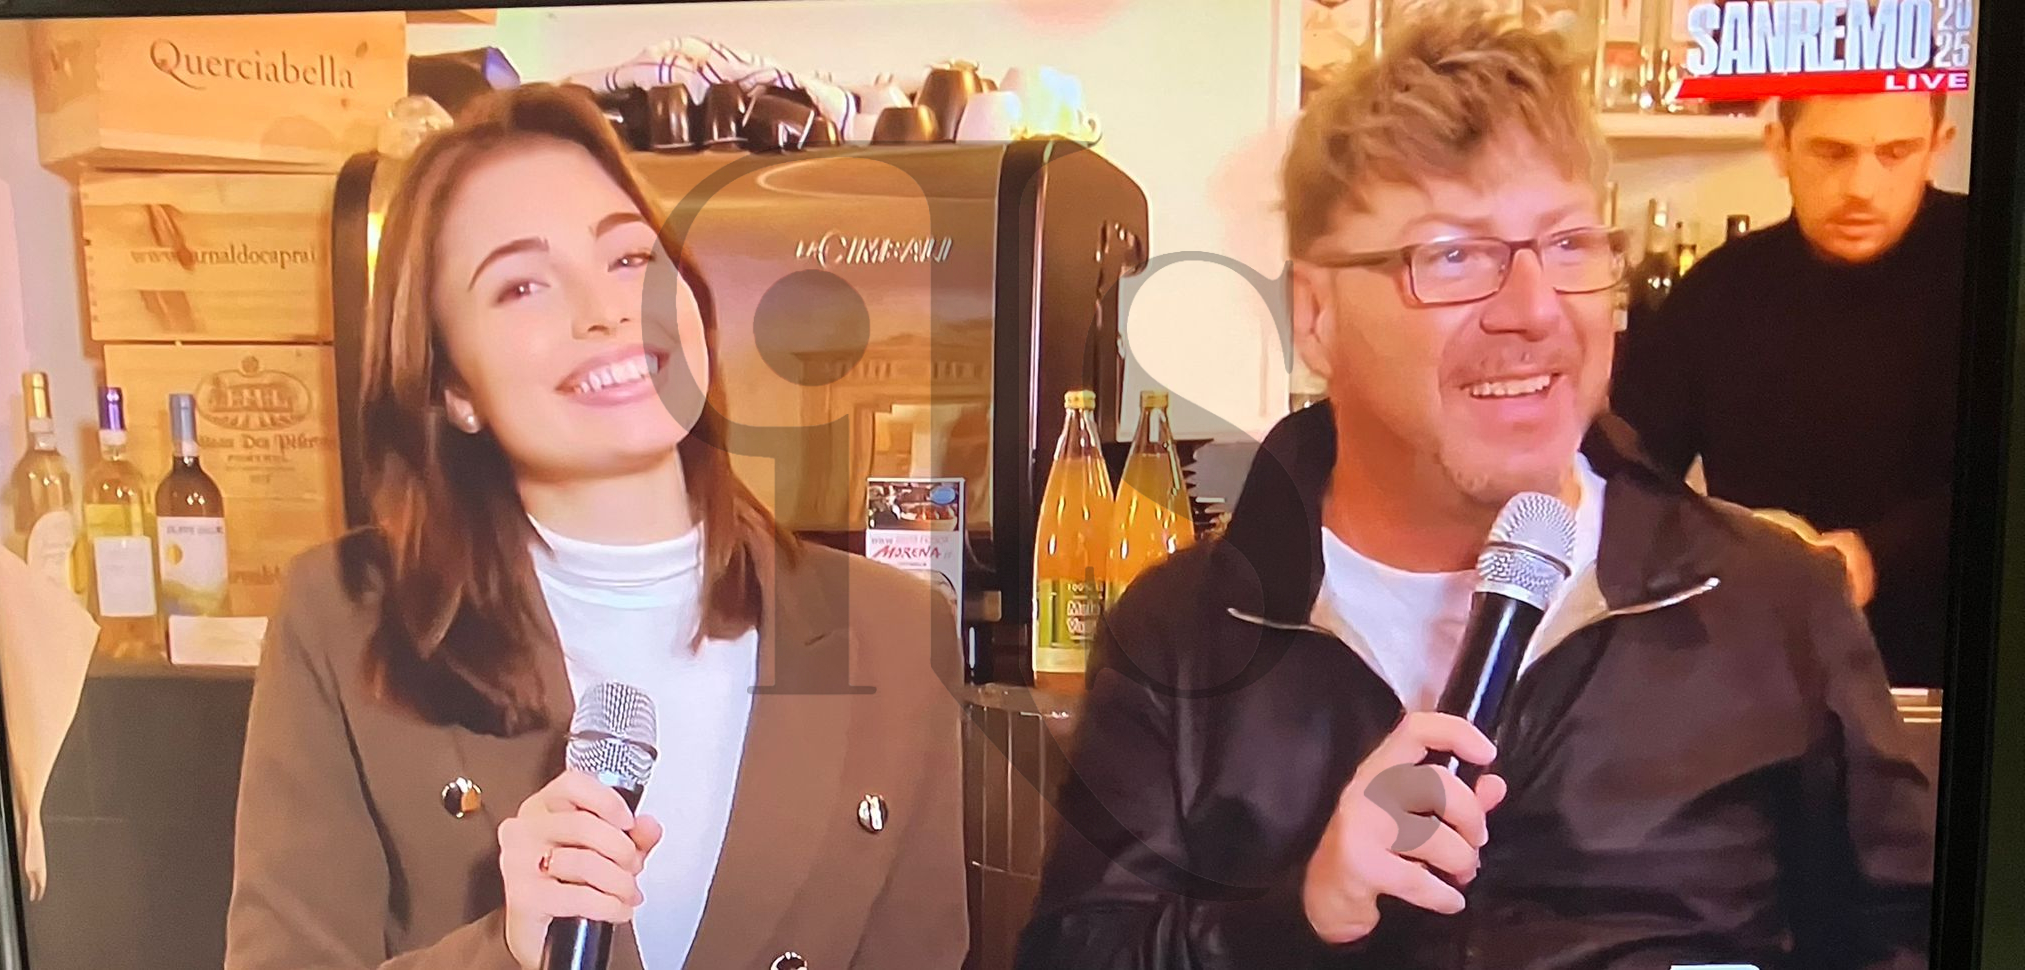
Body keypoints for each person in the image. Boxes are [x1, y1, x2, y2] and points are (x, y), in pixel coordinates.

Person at [1017, 13, 1933, 970]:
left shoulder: (1772, 604)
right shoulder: (1186, 634)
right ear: (1316, 314)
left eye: (1570, 246)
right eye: (1453, 256)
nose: (1534, 311)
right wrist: (1300, 920)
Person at [225, 84, 967, 970]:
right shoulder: (344, 619)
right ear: (452, 385)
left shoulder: (896, 633)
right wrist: (504, 950)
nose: (606, 311)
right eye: (522, 286)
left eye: (627, 257)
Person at [1611, 92, 1966, 689]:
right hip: (1762, 672)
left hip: (1957, 671)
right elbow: (1626, 475)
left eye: (1895, 153)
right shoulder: (1721, 290)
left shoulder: (1991, 268)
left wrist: (1877, 555)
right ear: (1779, 147)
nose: (1862, 187)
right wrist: (1721, 544)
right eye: (1832, 152)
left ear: (1938, 147)